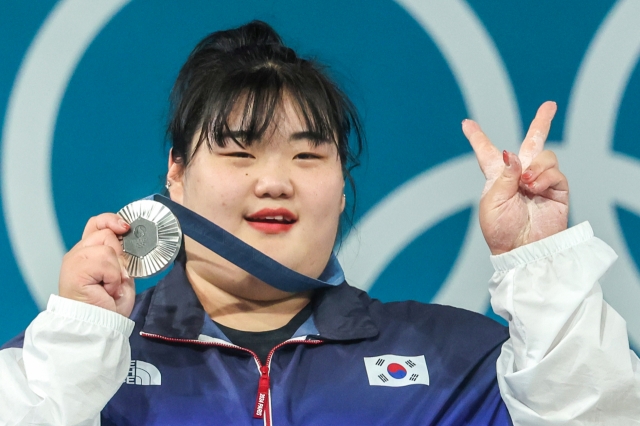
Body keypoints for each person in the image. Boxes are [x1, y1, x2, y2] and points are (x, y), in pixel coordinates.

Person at [1, 20, 639, 425]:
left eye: (308, 155)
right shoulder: (78, 367)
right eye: (239, 151)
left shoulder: (459, 364)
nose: (275, 179)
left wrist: (541, 269)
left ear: (341, 188)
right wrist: (81, 338)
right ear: (175, 175)